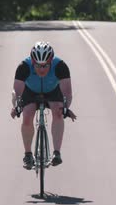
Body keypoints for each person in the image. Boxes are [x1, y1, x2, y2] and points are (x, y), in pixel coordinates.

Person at [10, 41, 77, 169]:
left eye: (45, 65)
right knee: (27, 116)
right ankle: (28, 154)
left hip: (53, 91)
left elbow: (67, 92)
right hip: (30, 91)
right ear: (33, 62)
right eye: (38, 66)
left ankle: (56, 153)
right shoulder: (23, 66)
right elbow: (16, 91)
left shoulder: (60, 66)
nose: (42, 69)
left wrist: (66, 108)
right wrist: (16, 105)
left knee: (58, 113)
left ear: (51, 61)